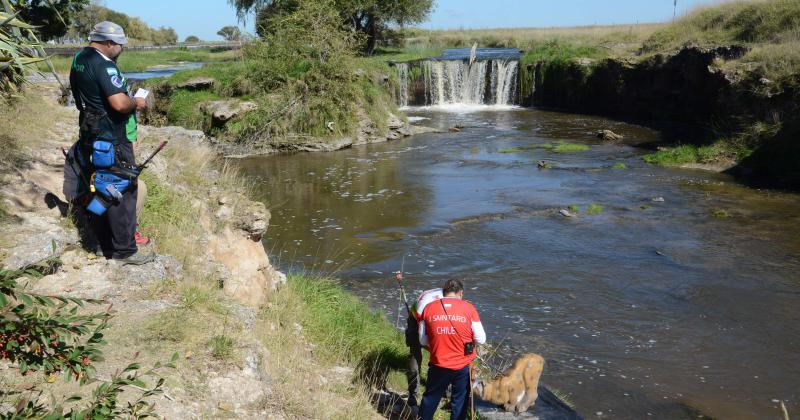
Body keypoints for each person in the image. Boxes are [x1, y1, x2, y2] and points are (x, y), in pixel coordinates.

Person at [68, 21, 153, 265]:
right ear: (109, 43)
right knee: (122, 189)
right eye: (120, 45)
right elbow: (118, 104)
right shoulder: (105, 65)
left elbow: (77, 97)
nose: (122, 49)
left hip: (90, 134)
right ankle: (124, 251)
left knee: (98, 187)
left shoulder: (79, 58)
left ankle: (100, 242)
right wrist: (135, 102)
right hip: (111, 137)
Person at [418, 279, 486, 420]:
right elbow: (481, 339)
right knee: (459, 403)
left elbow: (422, 340)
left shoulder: (428, 308)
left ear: (443, 293)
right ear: (461, 293)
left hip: (438, 363)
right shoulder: (469, 308)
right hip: (462, 365)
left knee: (430, 399)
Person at [405, 285, 444, 408]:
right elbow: (423, 339)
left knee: (442, 352)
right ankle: (413, 394)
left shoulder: (453, 299)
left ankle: (441, 388)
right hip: (416, 318)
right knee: (416, 351)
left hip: (431, 316)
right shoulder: (425, 308)